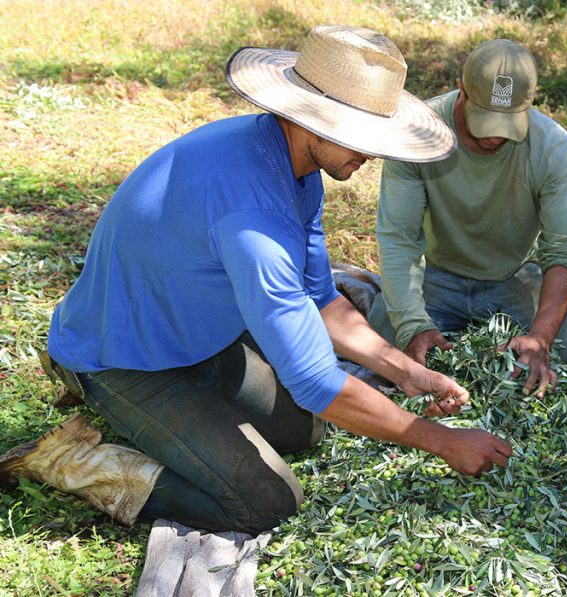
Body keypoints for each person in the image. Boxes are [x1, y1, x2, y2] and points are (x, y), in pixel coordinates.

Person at [0, 26, 512, 534]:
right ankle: (73, 462)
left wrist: (404, 371)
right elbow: (314, 380)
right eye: (363, 137)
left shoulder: (294, 167)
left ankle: (180, 427)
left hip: (198, 338)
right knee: (265, 501)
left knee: (304, 430)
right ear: (314, 119)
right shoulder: (253, 214)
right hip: (121, 359)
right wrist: (440, 439)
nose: (373, 155)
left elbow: (319, 297)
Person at [367, 39, 567, 398]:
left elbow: (562, 251)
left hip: (514, 278)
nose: (495, 135)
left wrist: (540, 339)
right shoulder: (417, 134)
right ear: (461, 88)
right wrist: (412, 326)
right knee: (379, 342)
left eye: (508, 123)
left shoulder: (555, 149)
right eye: (485, 118)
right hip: (436, 277)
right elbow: (399, 240)